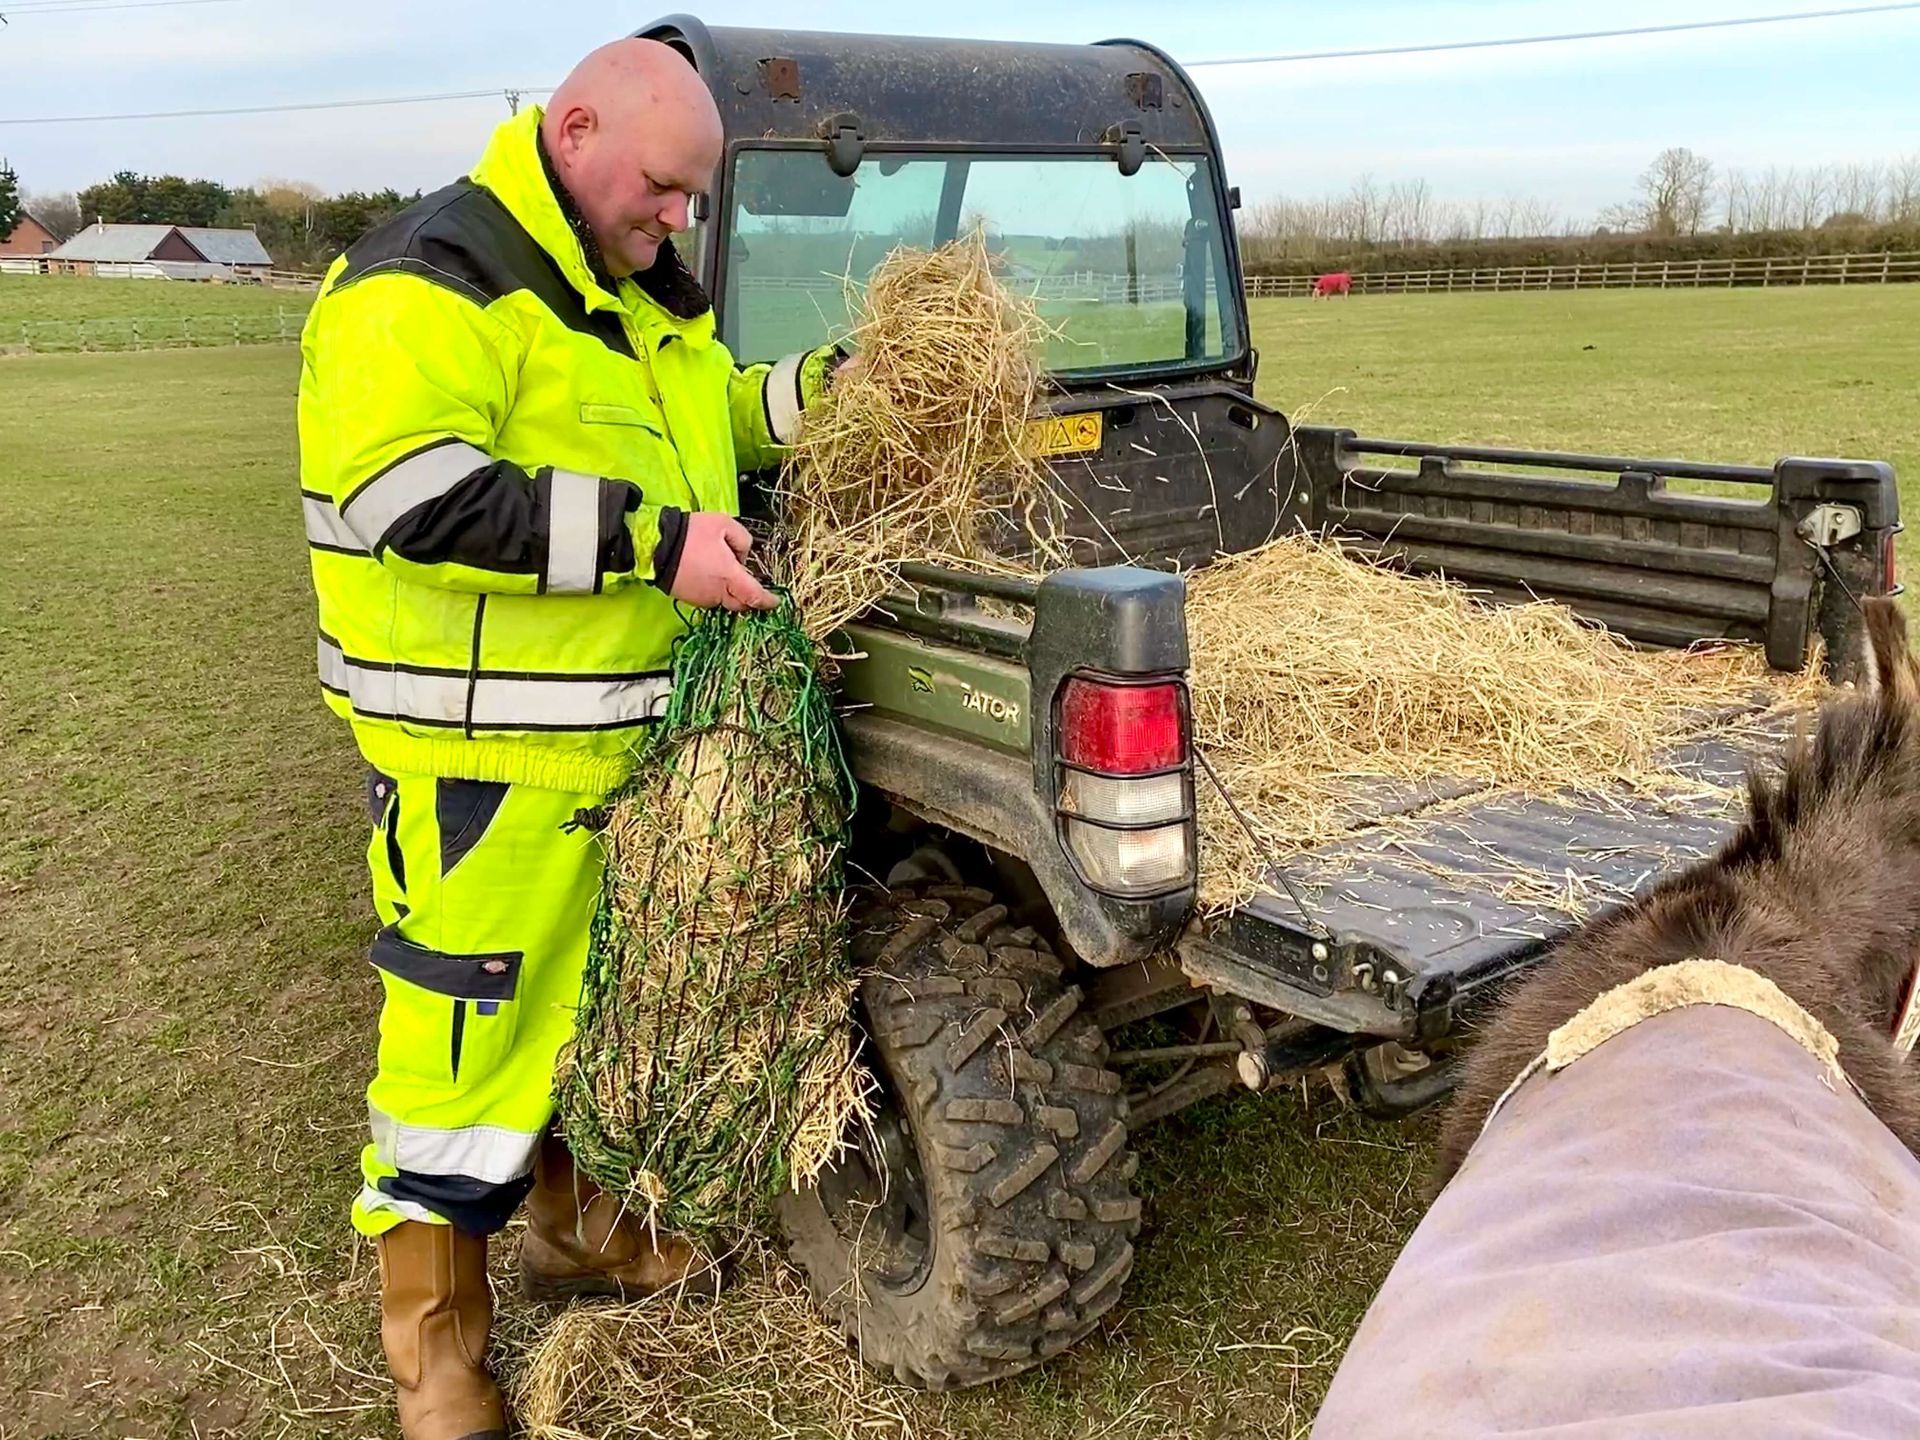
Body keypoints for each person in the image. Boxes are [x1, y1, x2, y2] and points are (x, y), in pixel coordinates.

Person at [295, 37, 842, 1440]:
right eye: (662, 189)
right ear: (575, 128)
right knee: (459, 1058)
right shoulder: (428, 281)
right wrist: (657, 545)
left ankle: (575, 1230)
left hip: (624, 754)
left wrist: (818, 394)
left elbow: (687, 421)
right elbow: (415, 499)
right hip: (487, 769)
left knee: (594, 1024)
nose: (678, 220)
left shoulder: (629, 290)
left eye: (690, 201)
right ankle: (437, 1355)